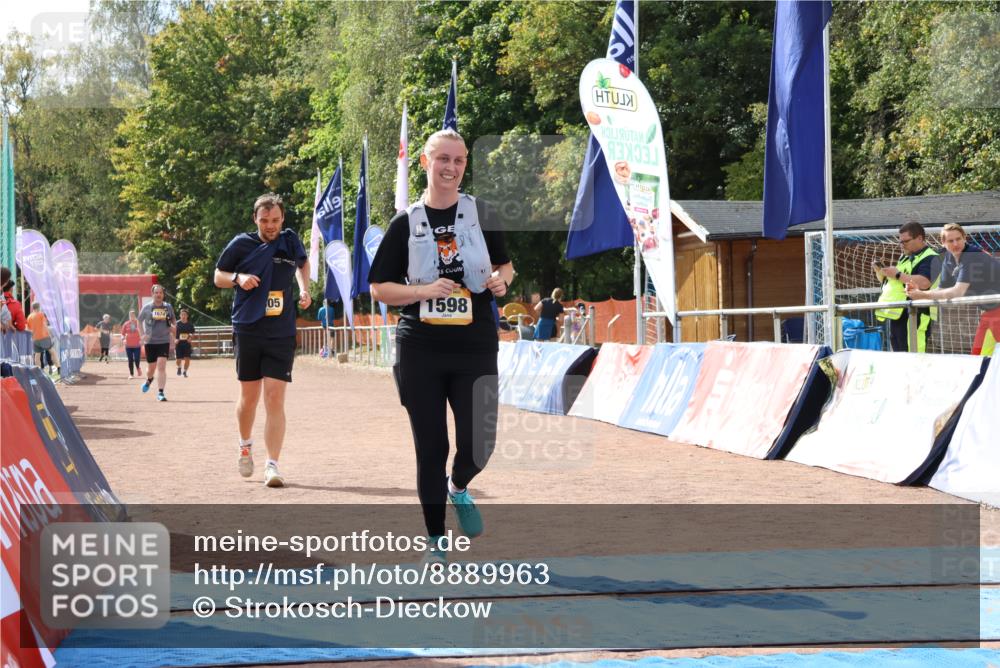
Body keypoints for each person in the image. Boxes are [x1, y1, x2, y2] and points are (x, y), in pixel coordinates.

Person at [369, 129, 514, 564]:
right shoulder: (404, 222)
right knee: (430, 448)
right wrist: (424, 290)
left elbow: (506, 265)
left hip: (474, 345)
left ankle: (459, 487)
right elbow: (379, 288)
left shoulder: (481, 213)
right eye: (443, 159)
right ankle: (436, 540)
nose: (450, 168)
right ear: (424, 163)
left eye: (459, 161)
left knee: (480, 444)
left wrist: (502, 281)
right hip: (421, 348)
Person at [214, 192, 311, 488]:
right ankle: (245, 445)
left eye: (276, 220)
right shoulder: (241, 244)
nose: (271, 226)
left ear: (283, 219)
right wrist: (237, 279)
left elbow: (302, 264)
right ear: (255, 218)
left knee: (274, 397)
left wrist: (304, 289)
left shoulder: (290, 240)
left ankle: (272, 465)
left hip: (281, 330)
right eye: (265, 220)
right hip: (248, 327)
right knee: (250, 397)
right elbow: (218, 275)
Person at [907, 223, 1000, 354]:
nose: (955, 244)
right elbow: (942, 288)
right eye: (951, 240)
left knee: (980, 359)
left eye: (958, 239)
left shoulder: (971, 256)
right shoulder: (949, 258)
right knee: (979, 358)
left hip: (996, 311)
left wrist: (922, 295)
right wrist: (919, 292)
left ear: (965, 238)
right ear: (943, 242)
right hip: (990, 312)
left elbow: (957, 292)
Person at [873, 221, 938, 352]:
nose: (902, 245)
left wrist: (897, 274)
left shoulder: (931, 257)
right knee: (900, 358)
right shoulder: (905, 258)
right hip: (898, 316)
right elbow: (897, 283)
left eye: (905, 241)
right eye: (900, 242)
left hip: (916, 315)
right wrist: (881, 274)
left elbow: (925, 282)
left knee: (915, 357)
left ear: (920, 238)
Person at [137, 285, 177, 402]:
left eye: (160, 293)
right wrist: (142, 334)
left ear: (163, 295)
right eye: (156, 293)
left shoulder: (168, 307)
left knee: (161, 366)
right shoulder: (147, 307)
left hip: (164, 340)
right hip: (150, 342)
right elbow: (139, 320)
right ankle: (149, 379)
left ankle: (160, 392)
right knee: (151, 369)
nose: (158, 295)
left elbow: (173, 319)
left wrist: (173, 328)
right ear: (152, 294)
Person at [25, 303, 55, 373]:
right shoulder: (40, 314)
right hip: (42, 336)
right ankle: (43, 369)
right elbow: (45, 324)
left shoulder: (34, 315)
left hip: (38, 337)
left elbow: (29, 328)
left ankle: (45, 368)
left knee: (41, 353)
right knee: (42, 353)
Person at [1, 267, 26, 333]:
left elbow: (5, 313)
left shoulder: (2, 295)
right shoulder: (15, 304)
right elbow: (21, 326)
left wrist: (9, 324)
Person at [120, 310, 143, 378]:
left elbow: (142, 332)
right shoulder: (126, 324)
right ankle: (131, 374)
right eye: (130, 315)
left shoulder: (138, 323)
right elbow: (122, 334)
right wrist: (123, 339)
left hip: (137, 345)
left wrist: (142, 340)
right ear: (129, 316)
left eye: (133, 315)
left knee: (136, 359)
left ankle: (138, 367)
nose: (132, 316)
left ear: (135, 315)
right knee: (130, 360)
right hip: (128, 345)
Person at [175, 309, 195, 377]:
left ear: (187, 316)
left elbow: (193, 333)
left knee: (187, 359)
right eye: (182, 314)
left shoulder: (190, 324)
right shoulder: (176, 324)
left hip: (187, 344)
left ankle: (185, 371)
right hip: (179, 344)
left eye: (185, 315)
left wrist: (190, 338)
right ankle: (179, 367)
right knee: (178, 359)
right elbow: (172, 333)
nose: (183, 316)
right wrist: (175, 339)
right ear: (180, 315)